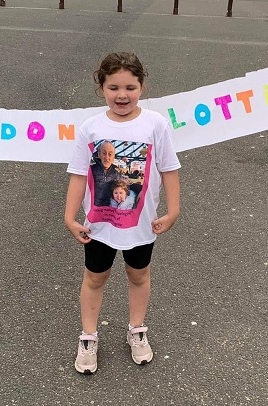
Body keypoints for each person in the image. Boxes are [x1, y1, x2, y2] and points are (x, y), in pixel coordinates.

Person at [65, 51, 181, 374]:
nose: (122, 95)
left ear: (141, 86)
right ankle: (89, 336)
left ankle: (137, 329)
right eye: (114, 87)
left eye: (130, 87)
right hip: (99, 225)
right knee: (94, 277)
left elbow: (169, 168)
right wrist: (70, 216)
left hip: (142, 225)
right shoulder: (91, 128)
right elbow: (78, 174)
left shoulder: (155, 124)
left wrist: (173, 211)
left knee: (138, 275)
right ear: (101, 87)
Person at [90, 141, 122, 207]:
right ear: (99, 154)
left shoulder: (117, 172)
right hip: (93, 208)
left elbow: (124, 187)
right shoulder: (91, 169)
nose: (107, 157)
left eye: (110, 154)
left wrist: (138, 189)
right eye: (104, 153)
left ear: (113, 157)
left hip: (110, 210)